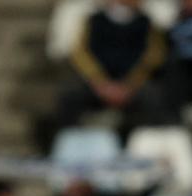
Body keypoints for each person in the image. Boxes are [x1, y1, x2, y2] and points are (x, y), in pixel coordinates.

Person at [52, 0, 167, 139]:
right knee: (70, 93)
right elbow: (80, 53)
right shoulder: (93, 20)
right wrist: (100, 83)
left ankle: (142, 145)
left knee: (154, 96)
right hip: (97, 84)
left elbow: (154, 56)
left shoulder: (147, 23)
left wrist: (130, 84)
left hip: (133, 85)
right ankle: (70, 143)